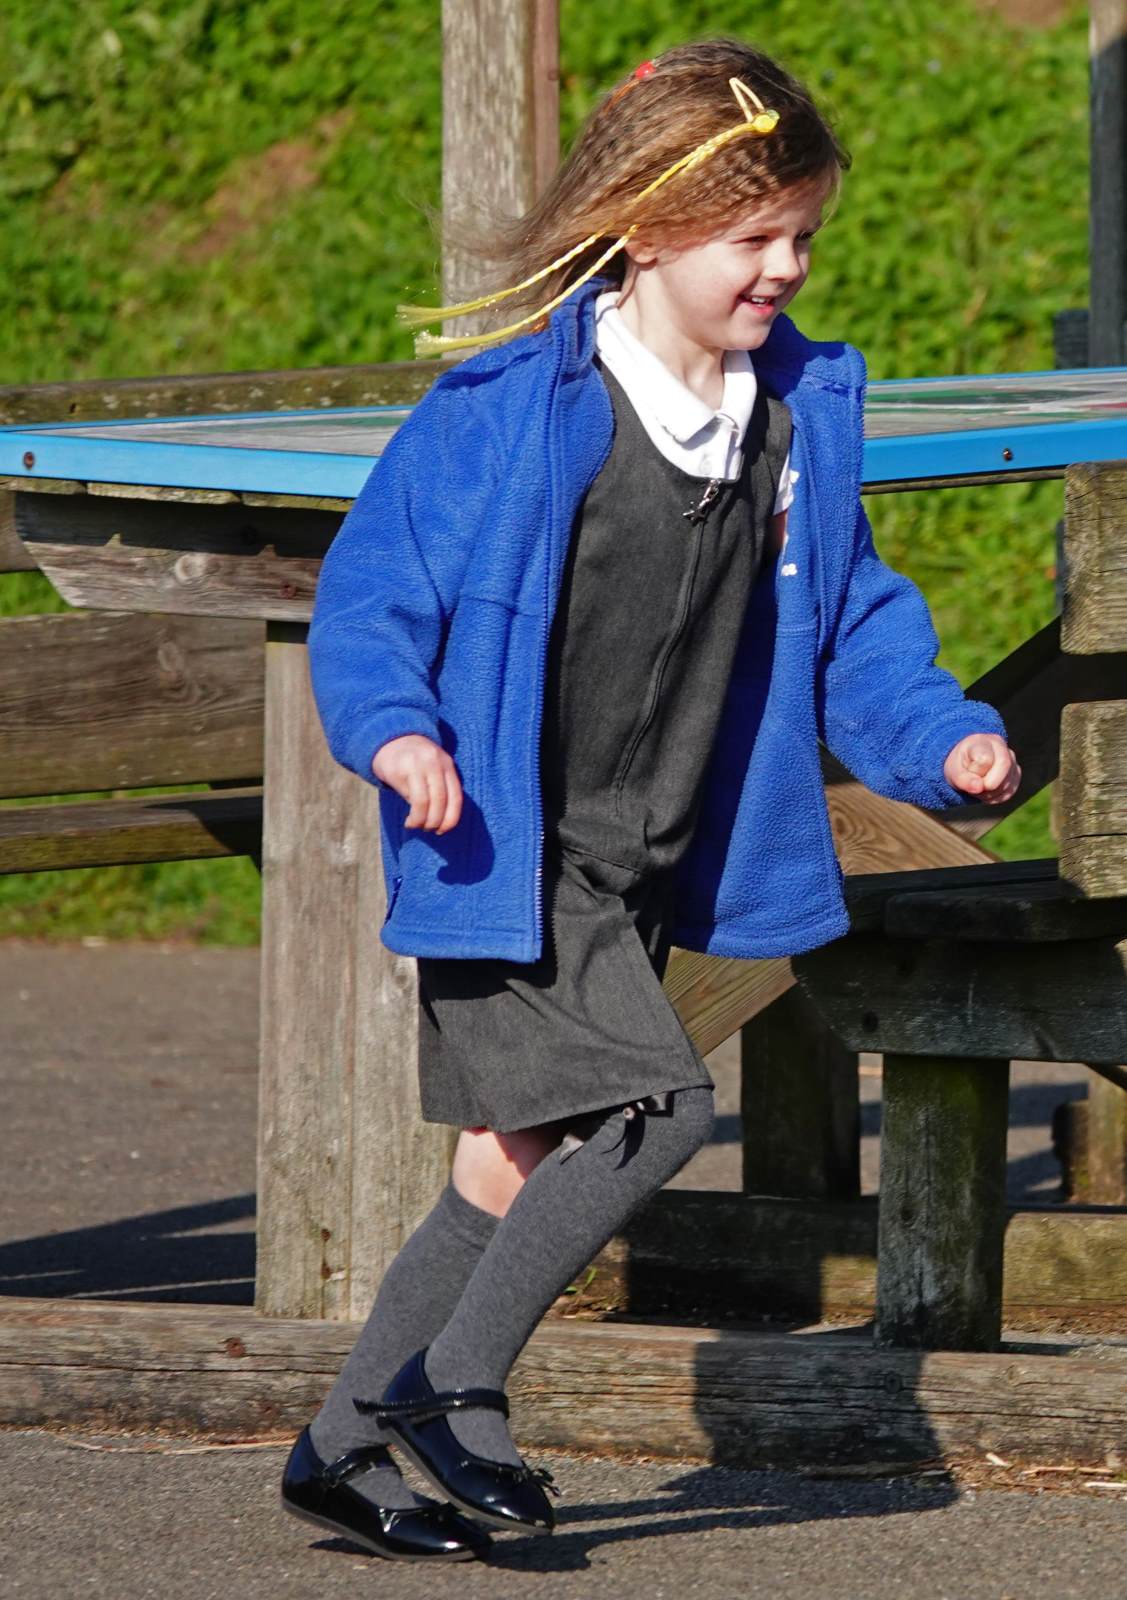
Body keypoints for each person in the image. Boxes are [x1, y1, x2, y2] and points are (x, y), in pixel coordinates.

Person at [280, 36, 1021, 1563]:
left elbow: (852, 623)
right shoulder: (512, 409)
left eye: (800, 234)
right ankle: (454, 1387)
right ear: (645, 230)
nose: (784, 267)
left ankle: (340, 1448)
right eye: (752, 237)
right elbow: (375, 597)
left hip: (647, 858)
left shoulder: (789, 416)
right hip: (509, 849)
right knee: (657, 1108)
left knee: (508, 1158)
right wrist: (398, 732)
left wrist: (939, 738)